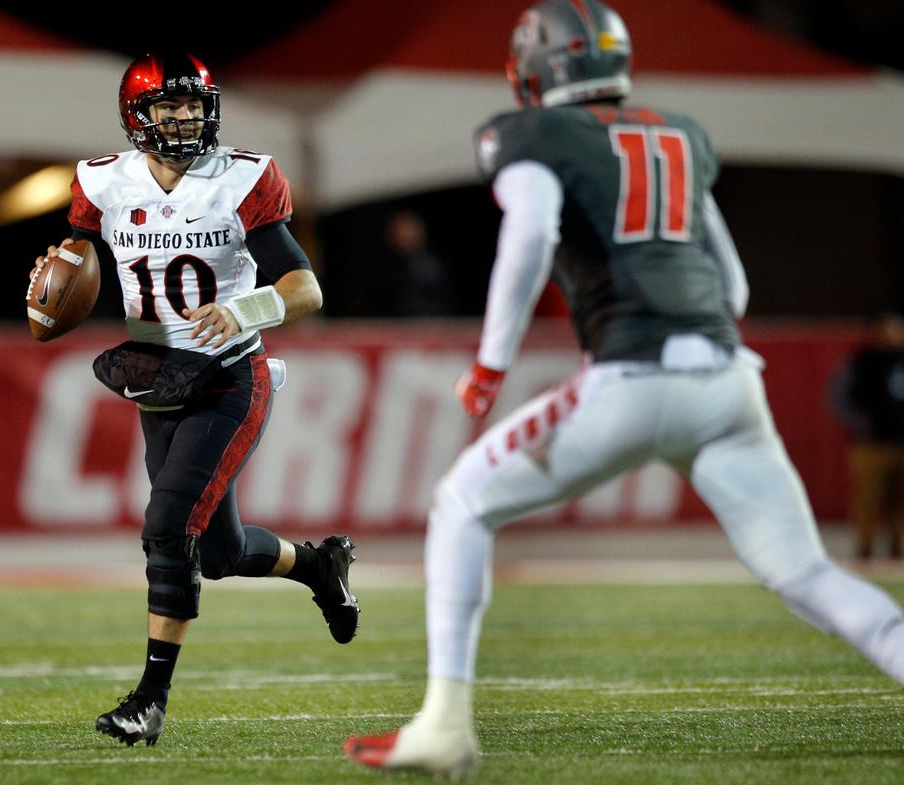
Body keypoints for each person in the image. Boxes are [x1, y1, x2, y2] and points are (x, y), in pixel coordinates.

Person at [344, 1, 904, 776]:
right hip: (726, 380)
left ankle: (444, 723)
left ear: (537, 67)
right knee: (807, 574)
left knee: (464, 501)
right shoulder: (679, 133)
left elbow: (532, 231)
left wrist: (491, 362)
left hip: (632, 374)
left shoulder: (532, 135)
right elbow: (732, 285)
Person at [30, 52, 360, 748]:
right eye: (166, 108)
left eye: (191, 107)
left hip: (230, 377)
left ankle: (149, 698)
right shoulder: (102, 181)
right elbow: (78, 262)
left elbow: (307, 289)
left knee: (166, 525)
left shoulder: (240, 179)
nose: (182, 120)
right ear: (135, 117)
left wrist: (243, 311)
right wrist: (49, 282)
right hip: (159, 380)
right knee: (217, 550)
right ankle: (317, 564)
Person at [831, 312, 904, 559]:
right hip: (871, 443)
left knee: (899, 502)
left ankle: (898, 549)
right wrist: (860, 425)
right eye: (886, 328)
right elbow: (839, 397)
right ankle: (865, 548)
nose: (891, 334)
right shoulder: (862, 361)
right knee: (868, 499)